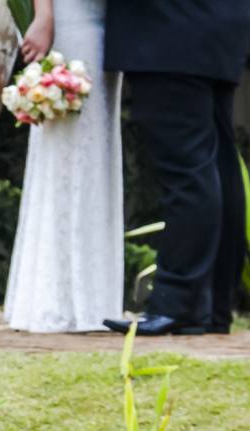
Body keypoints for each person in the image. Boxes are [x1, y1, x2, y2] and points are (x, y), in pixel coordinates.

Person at [102, 0, 250, 336]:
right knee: (220, 167)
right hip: (218, 30)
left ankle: (177, 303)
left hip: (169, 33)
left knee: (188, 173)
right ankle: (211, 308)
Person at [4, 0, 124, 333]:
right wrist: (44, 16)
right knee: (66, 151)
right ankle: (55, 298)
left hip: (106, 24)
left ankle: (94, 299)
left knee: (96, 151)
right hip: (69, 22)